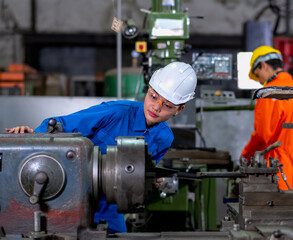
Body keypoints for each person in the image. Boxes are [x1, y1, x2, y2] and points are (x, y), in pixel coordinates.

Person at [5, 61, 197, 233]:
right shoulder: (115, 113)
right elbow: (59, 125)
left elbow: (137, 175)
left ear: (179, 109)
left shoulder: (164, 138)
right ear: (147, 90)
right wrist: (32, 139)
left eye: (167, 105)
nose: (156, 107)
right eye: (153, 96)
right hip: (69, 197)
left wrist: (148, 178)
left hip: (109, 207)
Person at [240, 45, 293, 191]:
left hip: (277, 168)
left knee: (275, 211)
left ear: (264, 66)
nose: (260, 81)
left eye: (257, 75)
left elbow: (262, 136)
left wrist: (245, 156)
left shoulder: (268, 93)